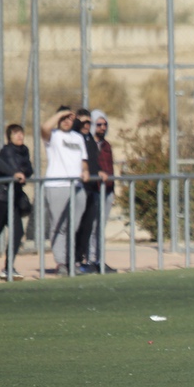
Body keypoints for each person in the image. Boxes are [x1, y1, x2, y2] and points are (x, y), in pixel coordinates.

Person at [40, 106, 89, 276]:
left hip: (77, 187)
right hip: (57, 186)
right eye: (64, 119)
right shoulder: (53, 136)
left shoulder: (78, 138)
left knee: (73, 227)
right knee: (58, 226)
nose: (67, 122)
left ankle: (72, 261)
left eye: (70, 119)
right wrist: (60, 113)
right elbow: (44, 128)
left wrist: (85, 170)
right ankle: (61, 262)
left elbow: (83, 160)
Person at [0, 126, 31, 281]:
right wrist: (15, 172)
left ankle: (7, 267)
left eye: (21, 132)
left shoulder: (24, 150)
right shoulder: (8, 151)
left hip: (12, 198)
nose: (20, 136)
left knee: (17, 231)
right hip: (0, 197)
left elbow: (28, 170)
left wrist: (17, 172)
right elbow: (5, 163)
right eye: (15, 133)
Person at [73, 108, 106, 274]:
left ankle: (81, 259)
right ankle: (72, 260)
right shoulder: (75, 138)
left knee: (88, 226)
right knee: (76, 225)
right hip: (80, 188)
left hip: (92, 187)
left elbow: (93, 161)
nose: (86, 125)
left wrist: (99, 171)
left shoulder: (89, 139)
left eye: (88, 123)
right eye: (83, 122)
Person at [86, 109, 117, 273]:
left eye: (104, 124)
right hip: (95, 190)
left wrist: (112, 188)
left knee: (101, 227)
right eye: (99, 124)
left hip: (107, 191)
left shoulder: (107, 146)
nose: (102, 127)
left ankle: (100, 259)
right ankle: (90, 259)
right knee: (93, 226)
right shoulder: (88, 144)